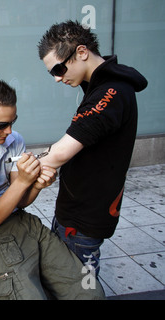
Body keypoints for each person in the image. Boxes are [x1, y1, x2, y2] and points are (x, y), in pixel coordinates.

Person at [0, 76, 105, 300]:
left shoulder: (14, 140)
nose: (9, 131)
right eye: (1, 125)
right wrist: (25, 181)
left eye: (13, 121)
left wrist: (37, 185)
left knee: (88, 290)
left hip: (21, 220)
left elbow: (21, 200)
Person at [37, 20, 148, 276]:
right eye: (51, 72)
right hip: (76, 210)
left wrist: (23, 166)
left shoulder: (111, 93)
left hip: (84, 217)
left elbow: (61, 152)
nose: (56, 78)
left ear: (82, 52)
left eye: (58, 68)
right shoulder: (101, 88)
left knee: (79, 288)